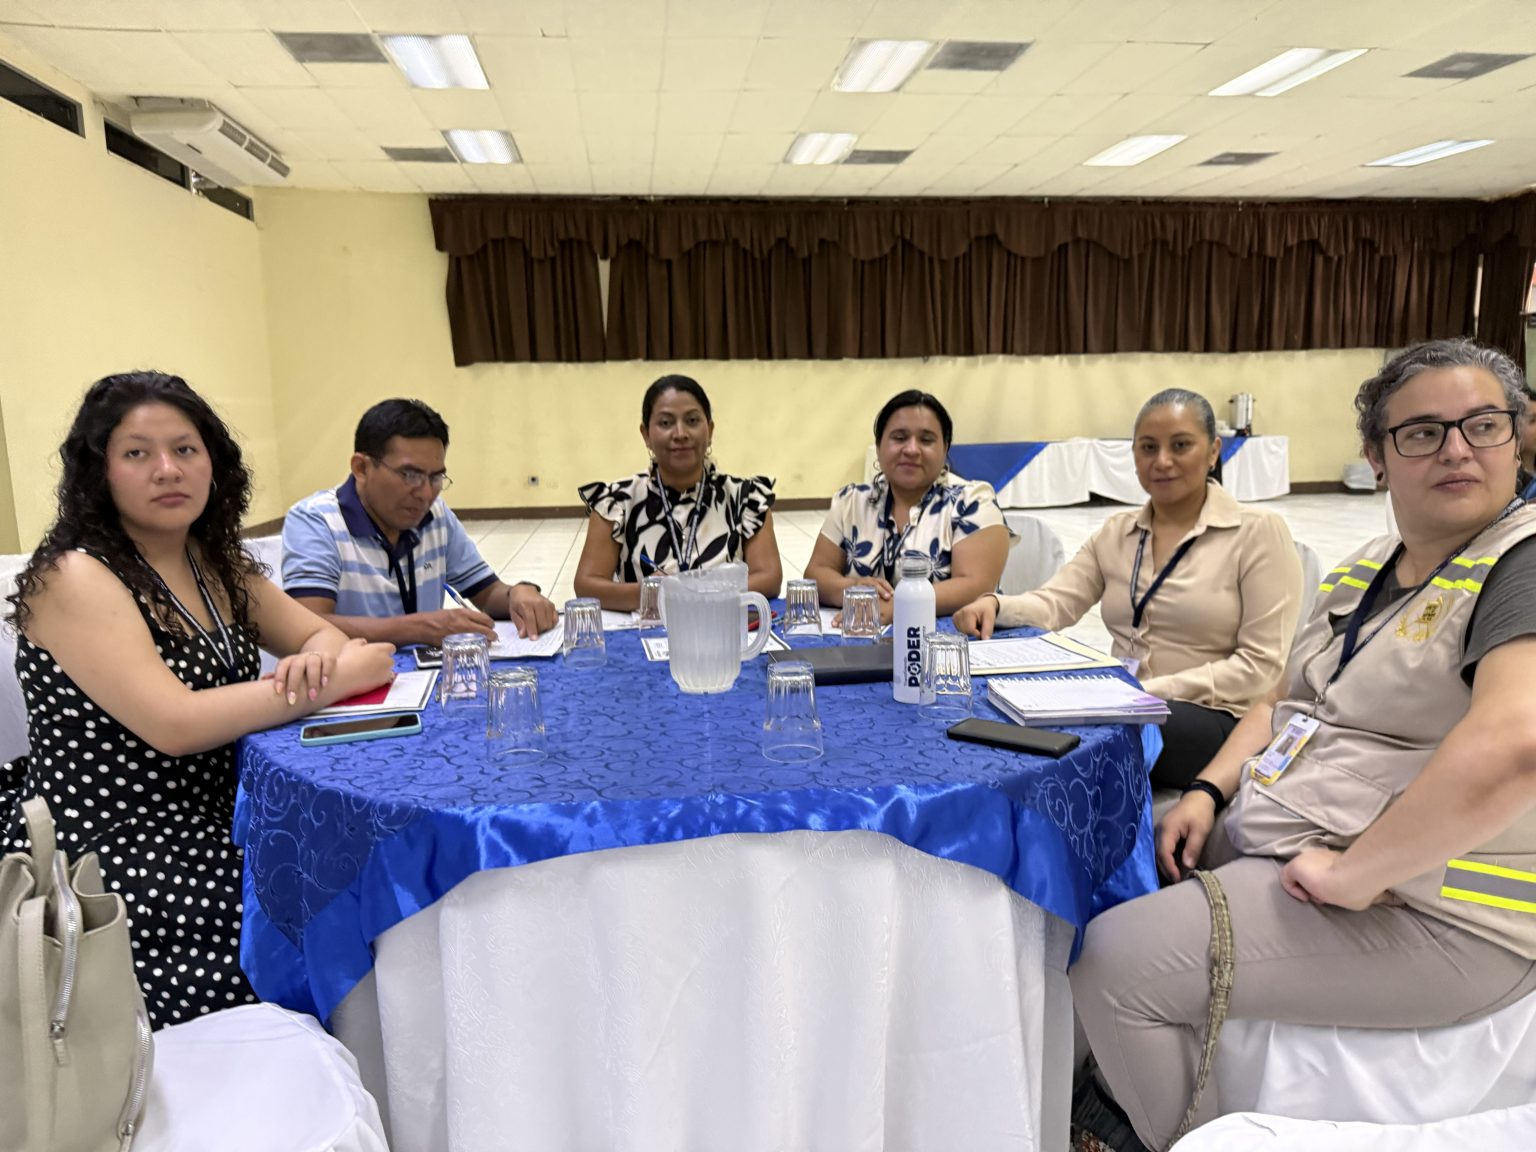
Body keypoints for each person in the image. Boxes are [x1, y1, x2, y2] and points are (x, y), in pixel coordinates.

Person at [1068, 340, 1536, 1152]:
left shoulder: (1519, 566)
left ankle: (1180, 1137)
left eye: (1482, 425)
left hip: (1441, 908)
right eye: (1423, 432)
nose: (1457, 449)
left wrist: (1357, 873)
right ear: (1377, 458)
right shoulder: (1371, 568)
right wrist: (1210, 790)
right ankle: (1105, 1097)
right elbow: (1282, 702)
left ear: (1518, 437)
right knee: (1099, 863)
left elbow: (1516, 744)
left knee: (1113, 962)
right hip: (1299, 834)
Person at [7, 371, 397, 1027]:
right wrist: (328, 681)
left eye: (185, 449)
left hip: (226, 816)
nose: (168, 469)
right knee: (305, 942)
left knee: (374, 883)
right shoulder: (75, 575)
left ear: (213, 463)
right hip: (117, 849)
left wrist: (322, 659)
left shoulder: (213, 561)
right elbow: (177, 724)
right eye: (137, 453)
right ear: (99, 472)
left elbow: (322, 635)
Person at [955, 390, 1302, 790]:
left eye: (1181, 445)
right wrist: (995, 605)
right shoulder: (1118, 532)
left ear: (1213, 452)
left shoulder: (1257, 533)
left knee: (1079, 743)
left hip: (1217, 718)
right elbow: (1056, 603)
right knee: (1006, 710)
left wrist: (1145, 691)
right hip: (1126, 704)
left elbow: (1259, 666)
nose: (1162, 461)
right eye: (1148, 448)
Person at [282, 399, 556, 645]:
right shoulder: (316, 521)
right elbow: (306, 625)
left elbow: (487, 593)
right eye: (410, 475)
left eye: (436, 477)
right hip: (351, 679)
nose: (425, 493)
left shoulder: (435, 515)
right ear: (361, 468)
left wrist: (518, 592)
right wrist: (418, 628)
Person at [573, 375, 782, 609]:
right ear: (646, 434)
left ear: (710, 430)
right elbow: (587, 584)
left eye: (692, 420)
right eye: (665, 423)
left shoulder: (745, 497)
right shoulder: (617, 501)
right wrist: (653, 594)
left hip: (722, 624)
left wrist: (701, 595)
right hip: (646, 625)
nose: (680, 433)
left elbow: (769, 577)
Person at [804, 391, 1009, 623]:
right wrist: (853, 589)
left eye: (926, 440)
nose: (911, 449)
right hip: (861, 634)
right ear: (879, 447)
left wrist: (898, 607)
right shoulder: (851, 502)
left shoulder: (972, 501)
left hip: (955, 638)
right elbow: (816, 573)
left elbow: (976, 585)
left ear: (945, 449)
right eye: (899, 438)